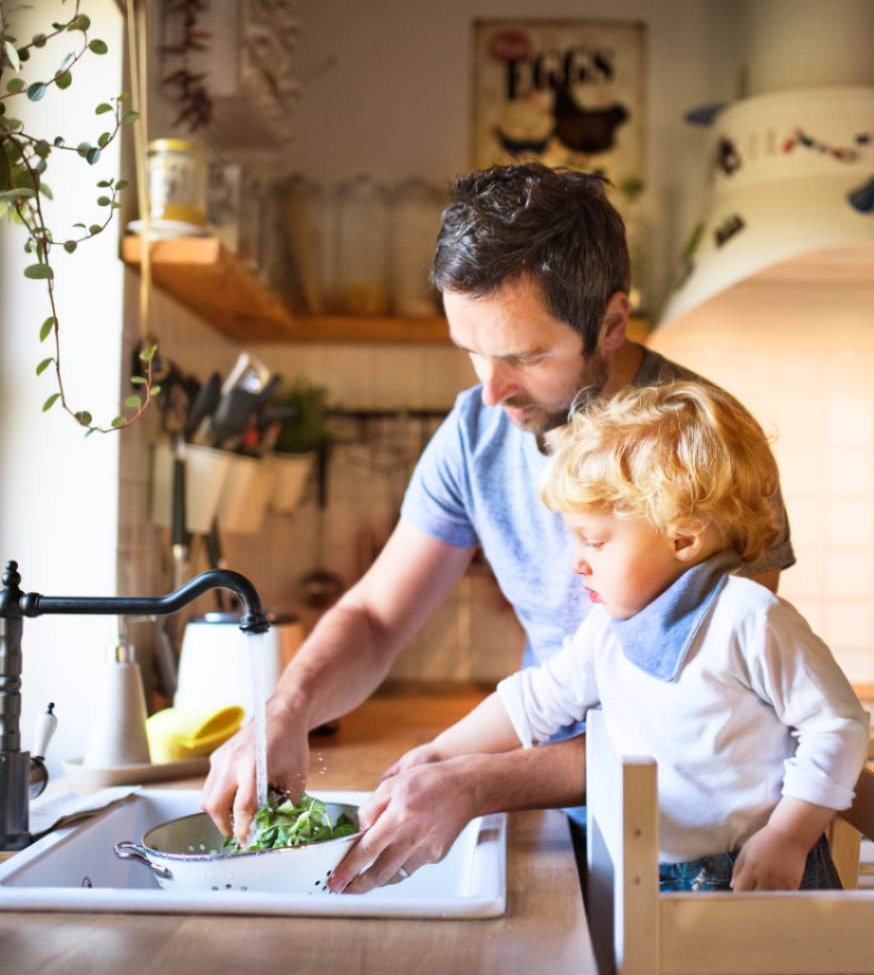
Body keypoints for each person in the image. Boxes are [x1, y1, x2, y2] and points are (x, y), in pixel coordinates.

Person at [201, 163, 797, 893]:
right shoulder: (476, 430)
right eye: (472, 349)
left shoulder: (709, 449)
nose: (492, 388)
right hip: (558, 812)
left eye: (525, 356)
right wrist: (284, 713)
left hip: (699, 841)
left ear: (610, 324)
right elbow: (375, 616)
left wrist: (482, 782)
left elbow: (705, 717)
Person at [380, 382, 869, 892]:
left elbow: (838, 728)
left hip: (755, 871)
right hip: (646, 873)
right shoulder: (610, 629)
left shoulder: (750, 619)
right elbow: (532, 701)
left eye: (594, 541)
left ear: (683, 538)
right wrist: (438, 754)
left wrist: (788, 839)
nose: (577, 562)